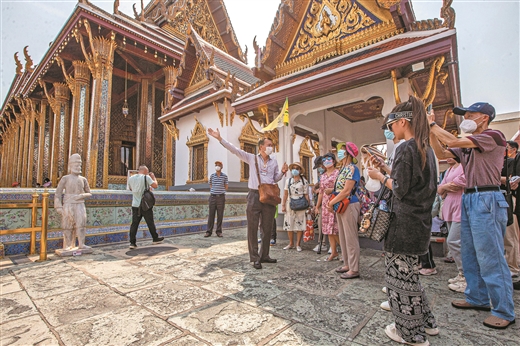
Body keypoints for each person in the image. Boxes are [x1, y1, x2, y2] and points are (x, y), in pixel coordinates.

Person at [429, 102, 515, 329]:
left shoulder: (493, 136)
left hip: (486, 197)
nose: (466, 117)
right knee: (469, 253)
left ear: (484, 117)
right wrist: (430, 132)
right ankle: (477, 297)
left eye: (471, 114)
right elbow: (442, 152)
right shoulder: (469, 144)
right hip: (469, 198)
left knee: (491, 256)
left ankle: (503, 310)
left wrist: (433, 124)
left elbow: (453, 141)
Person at [368, 96, 438, 345]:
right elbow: (411, 182)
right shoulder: (425, 148)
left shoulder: (407, 148)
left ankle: (410, 334)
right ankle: (428, 323)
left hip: (403, 225)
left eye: (391, 124)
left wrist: (379, 175)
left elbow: (399, 188)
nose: (390, 129)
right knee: (411, 278)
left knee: (400, 282)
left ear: (402, 122)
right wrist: (387, 170)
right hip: (418, 224)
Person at [208, 127, 288, 269]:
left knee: (267, 227)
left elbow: (275, 178)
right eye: (269, 145)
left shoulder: (273, 162)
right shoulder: (251, 158)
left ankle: (265, 255)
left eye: (272, 146)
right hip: (254, 195)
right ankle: (254, 257)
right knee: (252, 227)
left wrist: (282, 173)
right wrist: (220, 138)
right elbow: (235, 150)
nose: (271, 148)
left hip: (269, 196)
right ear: (261, 147)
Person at [329, 142, 361, 280]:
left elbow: (347, 190)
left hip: (349, 204)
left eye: (342, 150)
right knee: (343, 236)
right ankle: (347, 263)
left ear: (348, 153)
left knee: (350, 237)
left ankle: (354, 268)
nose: (339, 153)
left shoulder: (353, 169)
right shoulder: (343, 168)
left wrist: (331, 202)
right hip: (341, 204)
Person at [438, 157, 466, 292]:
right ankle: (461, 273)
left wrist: (445, 187)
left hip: (461, 205)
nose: (447, 157)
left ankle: (466, 275)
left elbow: (461, 182)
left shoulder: (464, 166)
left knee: (454, 241)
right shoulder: (449, 170)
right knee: (454, 241)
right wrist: (445, 186)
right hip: (450, 206)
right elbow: (440, 189)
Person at [54, 154, 92, 253]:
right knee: (67, 225)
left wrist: (81, 196)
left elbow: (89, 192)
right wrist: (58, 206)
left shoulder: (83, 179)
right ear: (70, 166)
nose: (78, 167)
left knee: (81, 224)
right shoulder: (65, 178)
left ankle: (81, 244)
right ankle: (67, 245)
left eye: (79, 166)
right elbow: (58, 194)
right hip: (68, 204)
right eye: (76, 165)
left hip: (80, 204)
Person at [127, 165, 164, 249]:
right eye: (147, 172)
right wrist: (154, 177)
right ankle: (155, 238)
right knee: (150, 222)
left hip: (135, 204)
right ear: (144, 171)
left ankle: (132, 243)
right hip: (145, 205)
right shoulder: (146, 177)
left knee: (134, 224)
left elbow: (130, 189)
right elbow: (155, 185)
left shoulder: (131, 178)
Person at [315, 153, 339, 261]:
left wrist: (332, 190)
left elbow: (342, 188)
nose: (326, 161)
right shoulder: (323, 176)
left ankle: (344, 250)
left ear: (333, 161)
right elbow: (320, 192)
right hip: (325, 204)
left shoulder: (338, 173)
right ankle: (333, 251)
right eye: (324, 160)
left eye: (329, 159)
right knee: (328, 229)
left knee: (336, 229)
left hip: (336, 202)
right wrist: (317, 206)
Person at [282, 162, 310, 251]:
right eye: (293, 168)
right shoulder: (288, 181)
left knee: (300, 224)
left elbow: (306, 194)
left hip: (301, 203)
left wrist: (309, 205)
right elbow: (285, 194)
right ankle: (291, 243)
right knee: (289, 223)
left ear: (300, 170)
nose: (295, 170)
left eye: (297, 168)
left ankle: (298, 244)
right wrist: (283, 205)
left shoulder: (304, 181)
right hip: (290, 203)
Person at [205, 161, 228, 238]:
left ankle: (219, 231)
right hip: (212, 197)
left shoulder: (224, 176)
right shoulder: (212, 176)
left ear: (221, 167)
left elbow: (226, 186)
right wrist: (214, 191)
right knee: (211, 215)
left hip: (221, 197)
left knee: (220, 215)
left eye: (218, 165)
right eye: (216, 165)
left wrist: (220, 191)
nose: (217, 167)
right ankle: (209, 231)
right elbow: (210, 185)